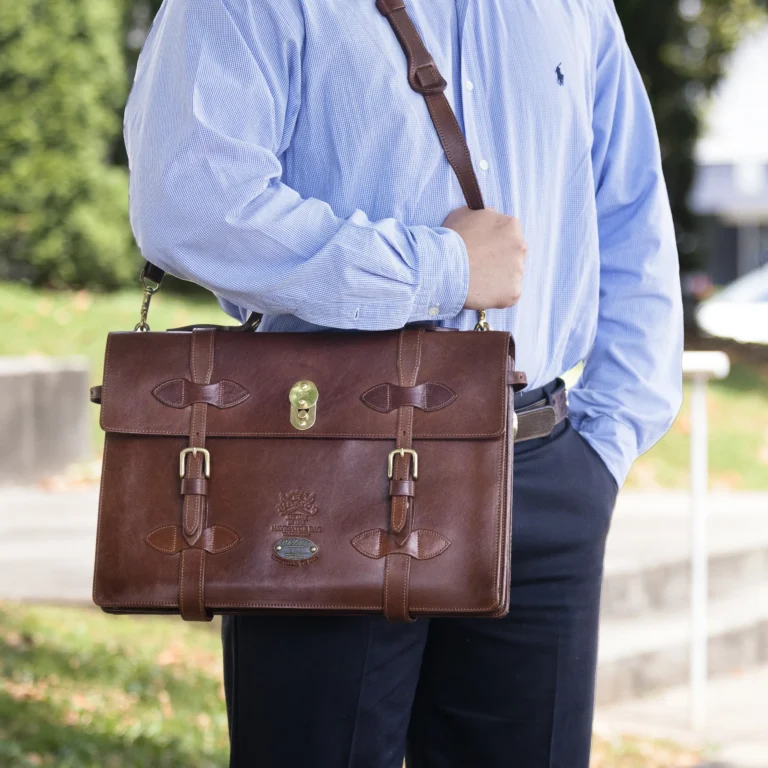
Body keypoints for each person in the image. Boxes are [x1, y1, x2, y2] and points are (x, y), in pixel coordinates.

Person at [124, 1, 683, 765]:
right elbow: (190, 202)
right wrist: (442, 270)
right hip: (322, 465)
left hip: (543, 473)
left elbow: (629, 209)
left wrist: (610, 438)